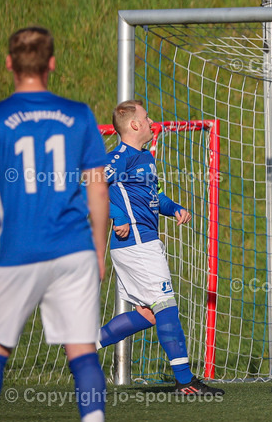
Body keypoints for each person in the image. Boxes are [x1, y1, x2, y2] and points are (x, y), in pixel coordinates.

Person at [0, 27, 110, 422]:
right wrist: (98, 249)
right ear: (52, 64)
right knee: (82, 351)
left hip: (18, 251)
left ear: (9, 64)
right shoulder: (79, 114)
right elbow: (97, 190)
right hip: (73, 250)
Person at [95, 100, 223, 396]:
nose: (152, 121)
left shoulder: (145, 158)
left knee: (149, 313)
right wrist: (119, 215)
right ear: (135, 125)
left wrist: (174, 207)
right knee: (165, 305)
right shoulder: (120, 156)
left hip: (143, 242)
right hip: (137, 242)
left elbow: (156, 195)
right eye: (146, 117)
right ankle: (185, 381)